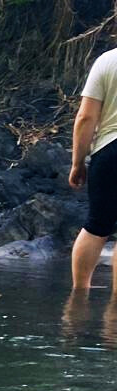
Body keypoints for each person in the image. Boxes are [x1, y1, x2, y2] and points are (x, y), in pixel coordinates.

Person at [70, 47, 117, 290]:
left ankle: (77, 299)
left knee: (96, 226)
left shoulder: (107, 61)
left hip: (108, 152)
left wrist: (78, 162)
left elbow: (86, 118)